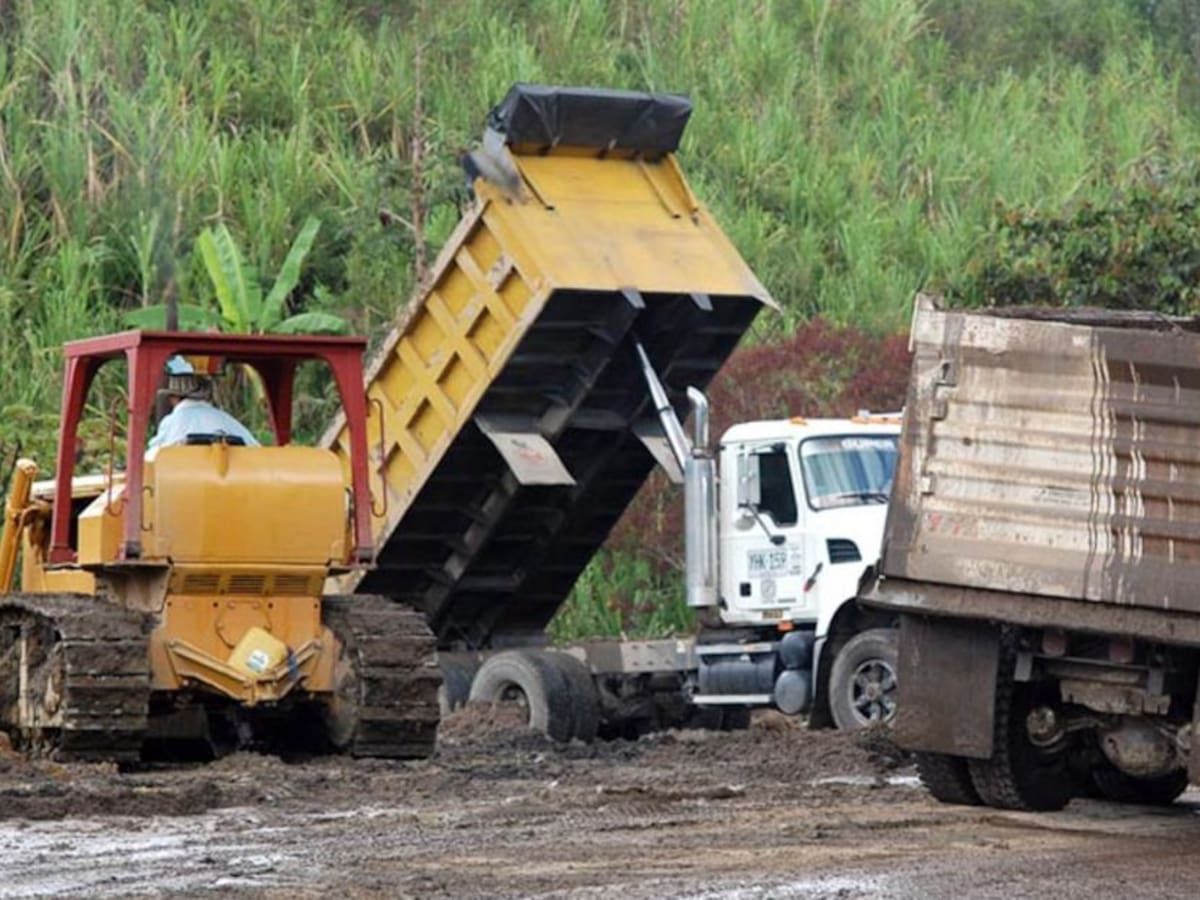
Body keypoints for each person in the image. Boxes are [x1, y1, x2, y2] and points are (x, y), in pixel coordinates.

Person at [148, 356, 260, 450]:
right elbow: (256, 449)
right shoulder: (228, 422)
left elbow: (152, 458)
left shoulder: (171, 422)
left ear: (173, 398)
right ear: (206, 393)